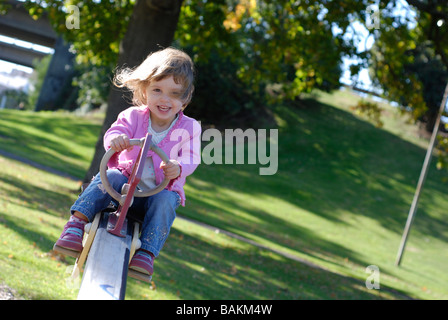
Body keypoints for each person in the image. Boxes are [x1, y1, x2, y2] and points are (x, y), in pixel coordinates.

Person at [54, 47, 201, 277]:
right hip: (121, 188)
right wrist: (117, 140)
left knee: (166, 201)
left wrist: (178, 166)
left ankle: (147, 253)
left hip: (156, 194)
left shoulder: (190, 127)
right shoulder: (133, 116)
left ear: (185, 98)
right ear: (145, 90)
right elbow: (114, 133)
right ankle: (75, 224)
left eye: (174, 93)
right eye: (157, 90)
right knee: (110, 176)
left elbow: (192, 157)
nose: (164, 99)